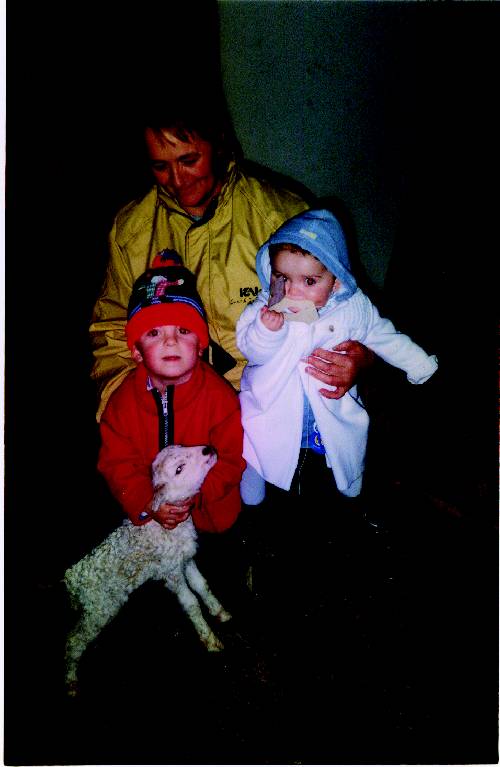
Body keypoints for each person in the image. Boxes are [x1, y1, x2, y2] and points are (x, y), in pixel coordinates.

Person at [89, 94, 374, 422]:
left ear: (217, 143)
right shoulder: (131, 230)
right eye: (160, 166)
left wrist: (360, 356)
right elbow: (111, 331)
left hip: (269, 405)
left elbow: (350, 311)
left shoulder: (283, 218)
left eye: (189, 160)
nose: (177, 180)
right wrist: (127, 407)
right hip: (171, 410)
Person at [236, 208, 438, 511]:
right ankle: (255, 482)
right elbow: (251, 350)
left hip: (328, 407)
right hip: (274, 404)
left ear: (336, 281)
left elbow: (383, 335)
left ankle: (348, 482)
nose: (292, 291)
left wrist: (418, 363)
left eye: (309, 281)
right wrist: (266, 331)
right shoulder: (265, 308)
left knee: (343, 446)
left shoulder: (353, 309)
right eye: (282, 277)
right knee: (259, 441)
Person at [97, 253, 245, 539]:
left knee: (220, 557)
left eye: (184, 330)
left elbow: (233, 458)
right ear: (137, 351)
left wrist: (197, 497)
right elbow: (116, 463)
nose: (171, 341)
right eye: (154, 333)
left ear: (200, 345)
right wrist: (146, 502)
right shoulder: (121, 405)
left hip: (211, 511)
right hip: (151, 516)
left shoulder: (220, 398)